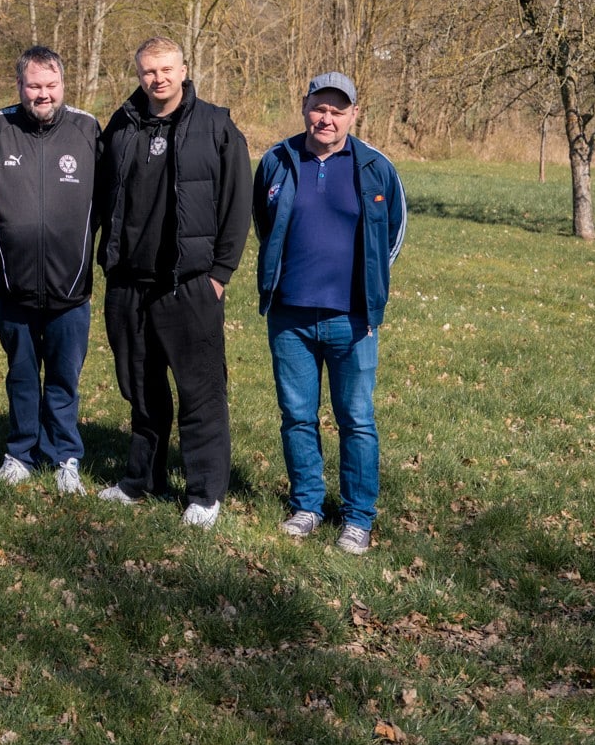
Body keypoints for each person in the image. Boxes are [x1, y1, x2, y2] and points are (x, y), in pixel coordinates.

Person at [95, 37, 252, 525]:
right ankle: (142, 479)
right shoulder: (122, 124)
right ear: (138, 73)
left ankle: (205, 493)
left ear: (184, 70)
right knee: (140, 389)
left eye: (166, 69)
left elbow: (237, 204)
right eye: (148, 71)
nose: (157, 78)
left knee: (200, 391)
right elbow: (100, 196)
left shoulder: (216, 127)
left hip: (189, 284)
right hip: (129, 282)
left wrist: (219, 275)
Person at [252, 72, 407, 555]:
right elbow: (265, 222)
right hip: (290, 317)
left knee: (356, 418)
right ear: (305, 107)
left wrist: (370, 288)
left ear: (354, 114)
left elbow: (393, 236)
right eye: (320, 108)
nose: (327, 118)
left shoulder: (376, 167)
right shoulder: (277, 160)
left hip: (353, 319)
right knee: (297, 415)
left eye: (338, 110)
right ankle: (307, 506)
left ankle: (358, 517)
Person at [0, 46, 99, 495]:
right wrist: (2, 249)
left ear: (63, 84)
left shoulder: (88, 130)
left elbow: (105, 205)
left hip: (70, 288)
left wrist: (81, 252)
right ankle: (20, 453)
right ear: (20, 86)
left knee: (64, 378)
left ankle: (65, 457)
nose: (43, 94)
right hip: (14, 286)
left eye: (51, 85)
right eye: (33, 86)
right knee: (22, 375)